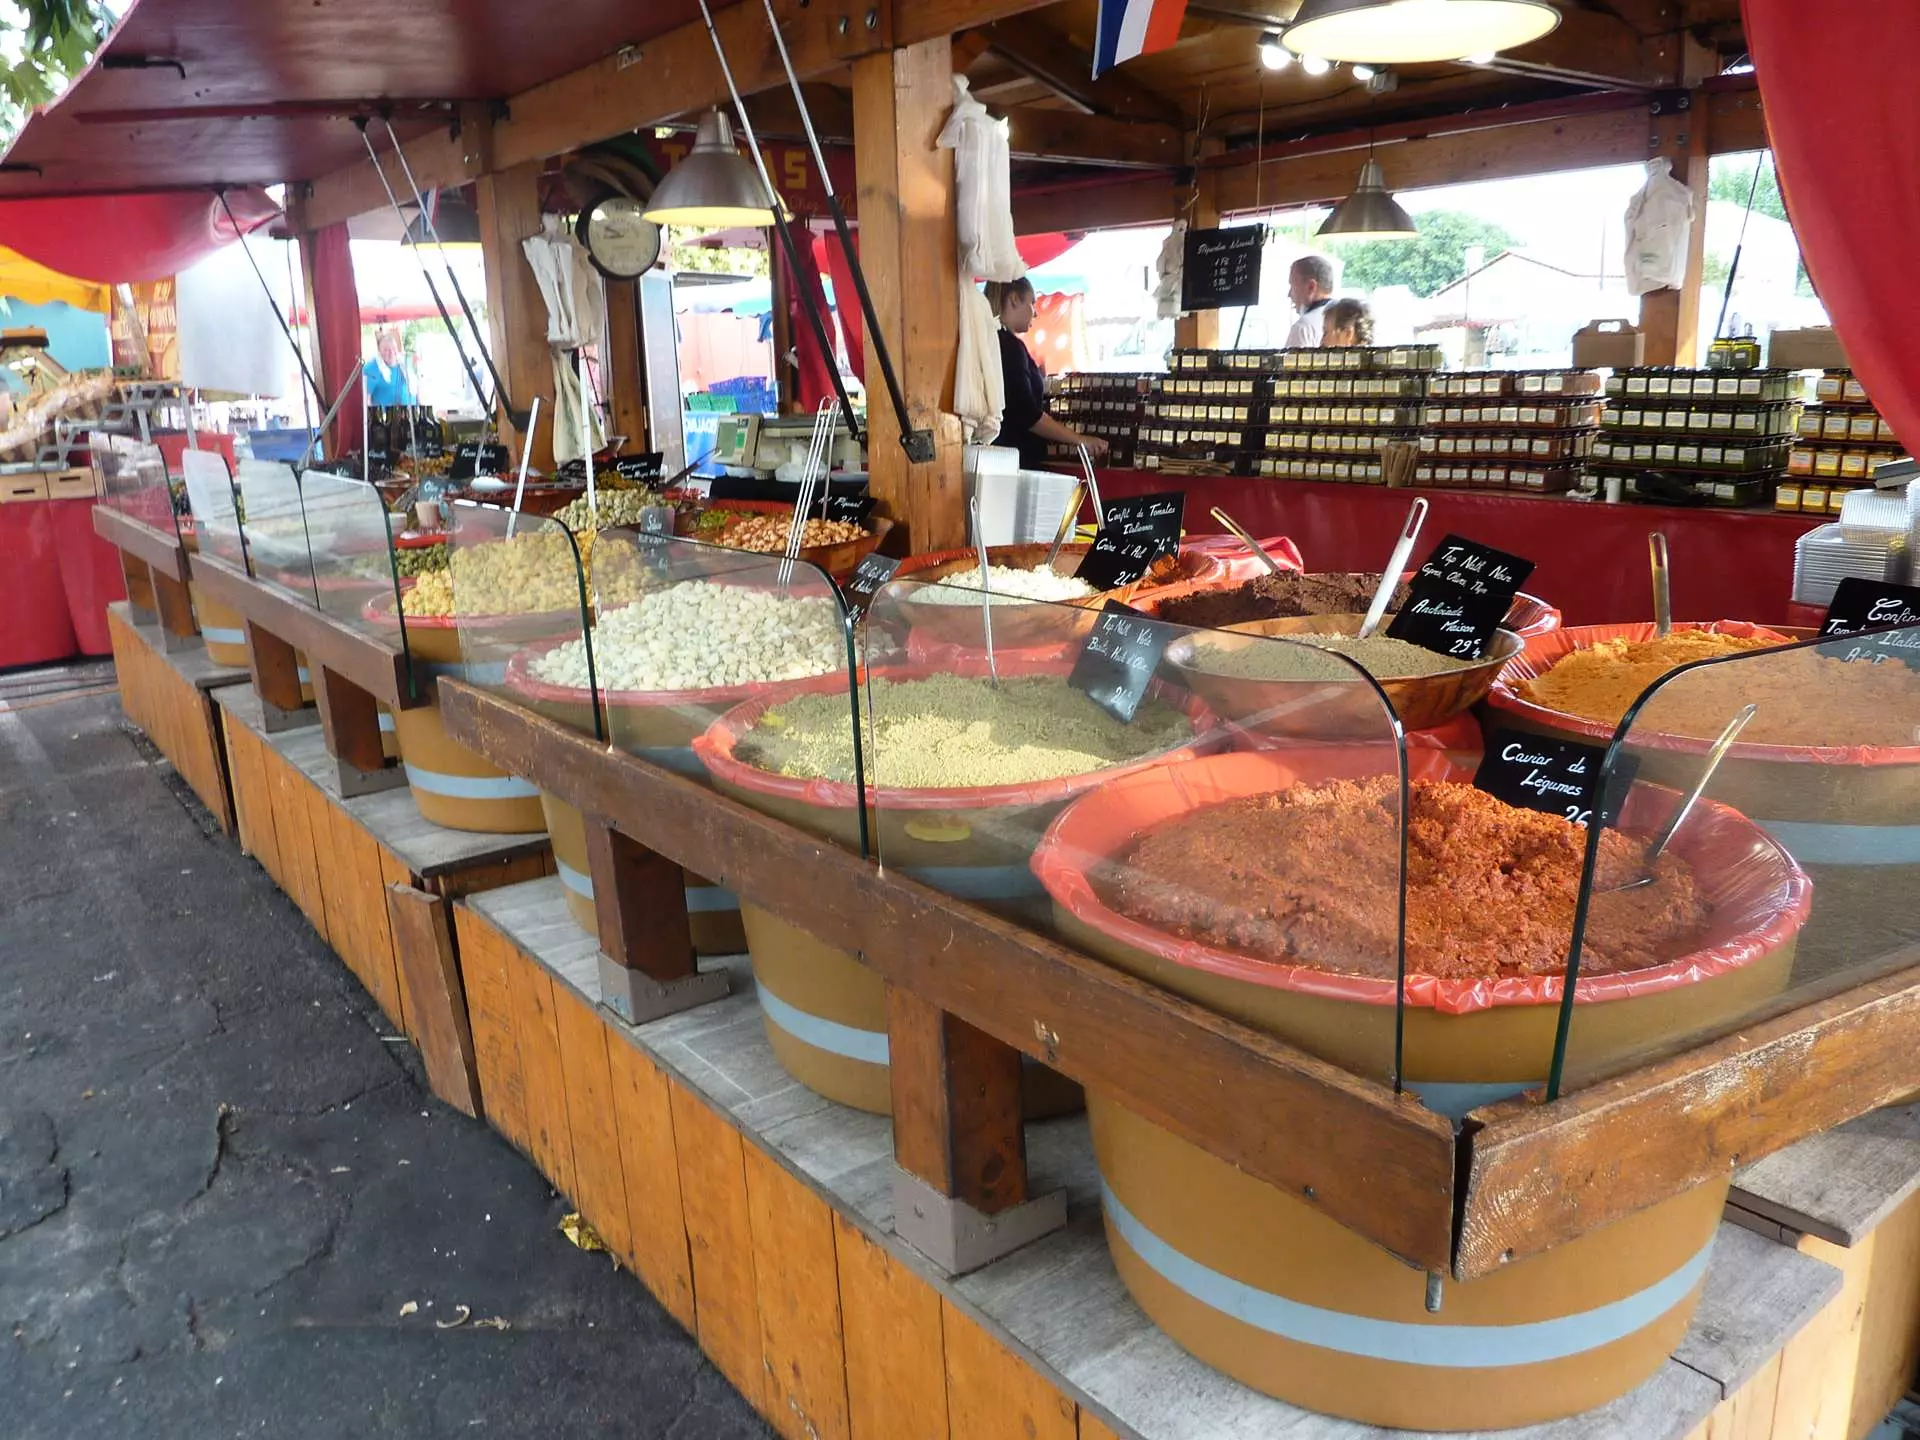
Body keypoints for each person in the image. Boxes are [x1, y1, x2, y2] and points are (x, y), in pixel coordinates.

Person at [986, 278, 1108, 468]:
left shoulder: (993, 341)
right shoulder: (1009, 347)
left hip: (1000, 458)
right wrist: (1080, 439)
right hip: (1013, 462)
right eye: (1032, 303)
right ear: (1014, 299)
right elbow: (1028, 415)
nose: (1035, 313)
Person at [1283, 255, 1336, 349]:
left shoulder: (1303, 328)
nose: (1289, 294)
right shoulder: (1346, 318)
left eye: (1293, 286)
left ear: (1311, 287)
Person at [362, 328, 414, 407]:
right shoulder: (371, 369)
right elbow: (365, 399)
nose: (391, 352)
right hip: (385, 414)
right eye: (386, 350)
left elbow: (416, 388)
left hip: (410, 412)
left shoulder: (404, 364)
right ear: (379, 351)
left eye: (394, 348)